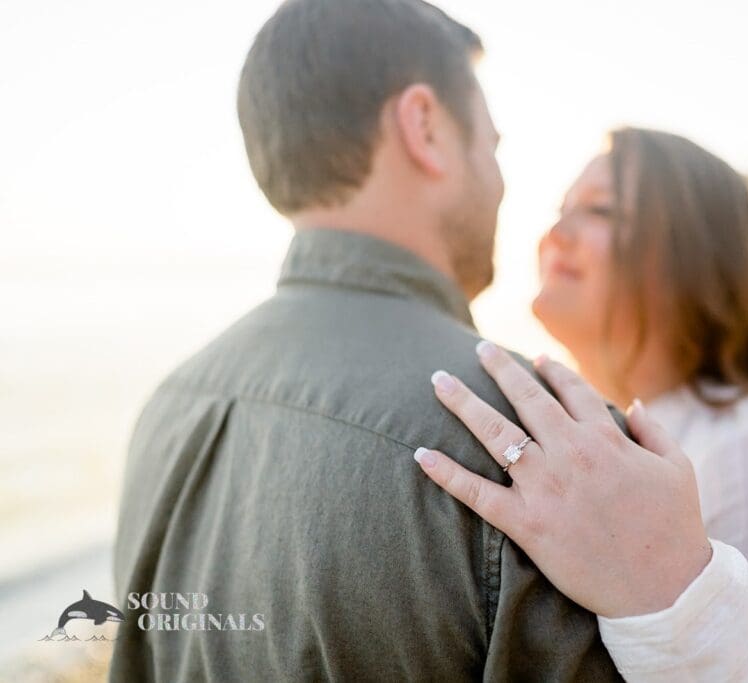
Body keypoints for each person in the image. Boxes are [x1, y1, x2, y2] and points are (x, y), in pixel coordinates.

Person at [111, 0, 631, 679]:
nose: (500, 179)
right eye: (492, 145)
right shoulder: (540, 449)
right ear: (423, 125)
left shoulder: (167, 408)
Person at [415, 130, 748, 680]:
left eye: (599, 210)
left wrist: (658, 582)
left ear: (695, 251)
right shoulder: (609, 428)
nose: (553, 233)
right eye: (561, 209)